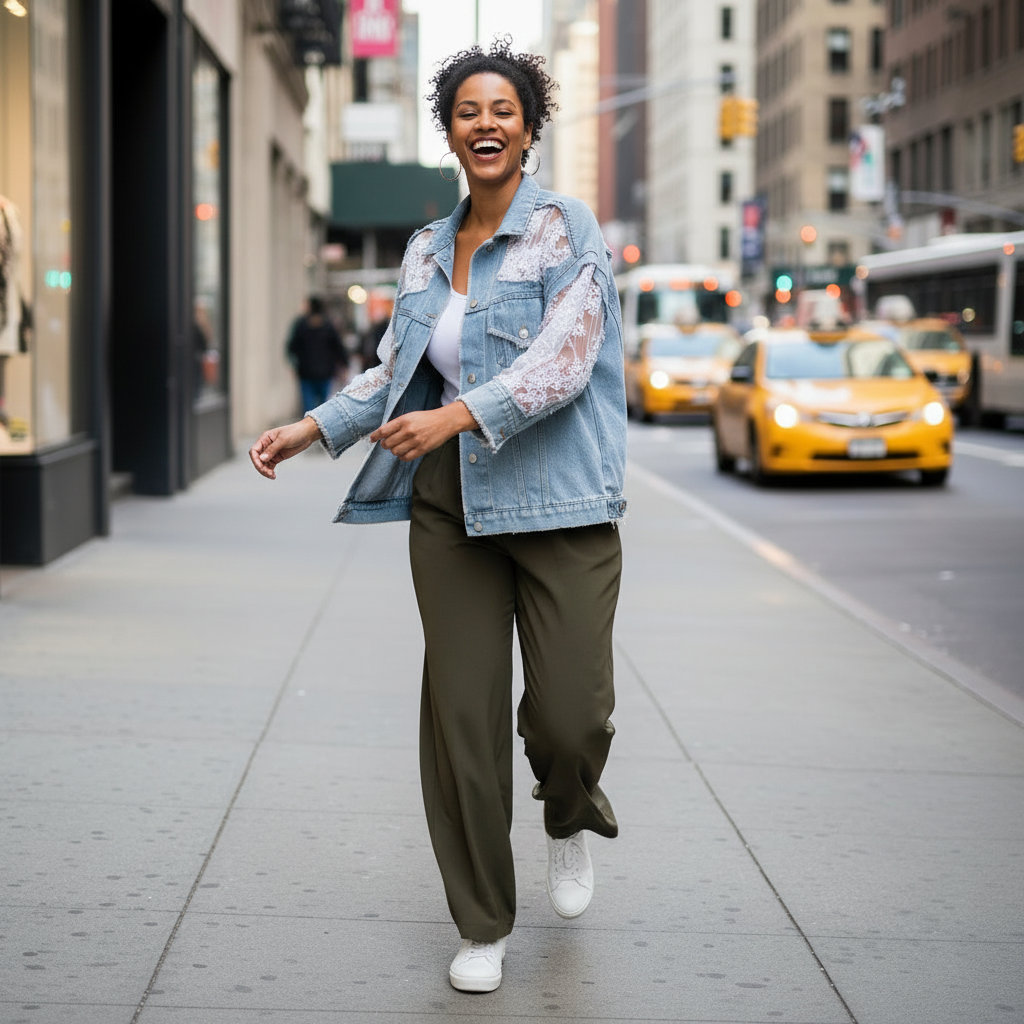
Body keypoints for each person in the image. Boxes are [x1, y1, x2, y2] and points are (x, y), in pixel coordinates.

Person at [250, 38, 627, 994]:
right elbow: (393, 372)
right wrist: (313, 428)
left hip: (558, 501)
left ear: (530, 127)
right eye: (469, 111)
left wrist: (461, 412)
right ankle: (482, 920)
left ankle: (567, 809)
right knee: (462, 719)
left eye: (504, 109)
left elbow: (564, 361)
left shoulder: (566, 229)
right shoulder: (424, 248)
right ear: (450, 132)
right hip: (449, 505)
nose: (487, 123)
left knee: (572, 717)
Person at [286, 296, 348, 413]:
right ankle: (319, 429)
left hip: (306, 372)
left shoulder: (301, 324)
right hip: (325, 372)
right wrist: (344, 365)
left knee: (308, 405)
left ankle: (307, 429)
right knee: (323, 406)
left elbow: (291, 347)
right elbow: (338, 348)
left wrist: (294, 364)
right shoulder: (328, 325)